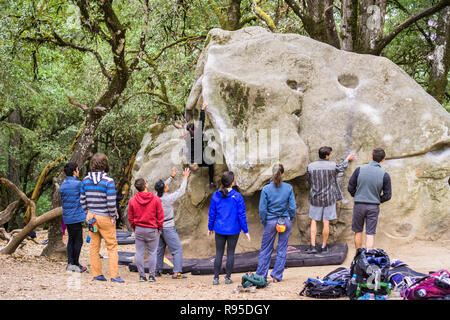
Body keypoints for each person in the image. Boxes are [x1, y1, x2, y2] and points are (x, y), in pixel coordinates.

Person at [80, 153, 124, 283]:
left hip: (91, 217)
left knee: (94, 246)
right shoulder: (108, 181)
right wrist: (112, 216)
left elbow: (82, 200)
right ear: (105, 164)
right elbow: (111, 202)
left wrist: (88, 213)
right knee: (112, 246)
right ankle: (114, 275)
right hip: (105, 217)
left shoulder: (85, 180)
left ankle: (97, 274)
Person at [306, 146, 355, 254]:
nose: (331, 155)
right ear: (327, 156)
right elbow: (342, 168)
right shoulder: (332, 166)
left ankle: (313, 247)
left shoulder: (310, 166)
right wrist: (347, 159)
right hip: (329, 198)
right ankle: (324, 247)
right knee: (326, 222)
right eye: (330, 154)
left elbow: (309, 181)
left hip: (315, 197)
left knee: (313, 221)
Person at [208, 171, 250, 285]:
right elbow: (241, 215)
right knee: (230, 253)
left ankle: (216, 278)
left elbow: (212, 213)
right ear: (232, 183)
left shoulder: (216, 195)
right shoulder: (237, 196)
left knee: (219, 253)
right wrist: (245, 231)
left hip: (219, 229)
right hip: (233, 230)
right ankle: (227, 278)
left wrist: (210, 227)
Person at [256, 164, 296, 283]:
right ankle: (277, 276)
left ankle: (261, 275)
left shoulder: (266, 189)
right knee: (282, 248)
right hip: (285, 220)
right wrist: (290, 218)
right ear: (283, 174)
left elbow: (262, 209)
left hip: (271, 221)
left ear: (272, 174)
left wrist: (265, 221)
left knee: (266, 249)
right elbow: (293, 207)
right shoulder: (288, 188)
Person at [347, 148, 392, 249]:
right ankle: (368, 258)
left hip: (359, 205)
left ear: (371, 156)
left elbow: (350, 187)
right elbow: (388, 195)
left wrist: (357, 195)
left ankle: (359, 258)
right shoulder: (385, 175)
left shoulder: (359, 170)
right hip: (373, 207)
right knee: (370, 234)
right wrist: (376, 199)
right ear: (383, 160)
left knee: (358, 231)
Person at [155, 167, 190, 279]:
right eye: (165, 185)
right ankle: (177, 272)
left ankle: (157, 270)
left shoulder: (155, 196)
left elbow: (161, 187)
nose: (166, 185)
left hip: (158, 227)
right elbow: (181, 191)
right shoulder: (168, 198)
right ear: (164, 189)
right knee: (177, 249)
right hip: (168, 227)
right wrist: (185, 178)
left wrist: (171, 177)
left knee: (160, 250)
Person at [128, 178, 164, 282]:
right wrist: (159, 228)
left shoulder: (132, 200)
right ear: (146, 186)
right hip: (152, 229)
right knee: (153, 253)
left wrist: (135, 227)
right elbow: (160, 216)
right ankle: (152, 276)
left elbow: (130, 217)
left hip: (139, 229)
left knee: (139, 253)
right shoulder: (156, 199)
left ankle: (142, 276)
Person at [59, 162, 87, 273]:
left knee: (71, 239)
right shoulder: (78, 184)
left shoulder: (63, 184)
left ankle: (70, 262)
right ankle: (75, 264)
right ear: (74, 172)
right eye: (78, 170)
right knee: (78, 241)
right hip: (76, 216)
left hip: (67, 217)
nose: (79, 172)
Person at [186, 102, 216, 188]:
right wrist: (203, 109)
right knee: (210, 163)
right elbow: (201, 121)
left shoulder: (188, 138)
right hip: (202, 159)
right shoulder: (198, 134)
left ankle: (190, 171)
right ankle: (211, 182)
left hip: (196, 161)